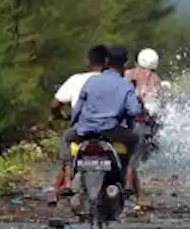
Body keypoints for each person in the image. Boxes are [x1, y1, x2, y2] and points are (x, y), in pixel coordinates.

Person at [69, 44, 149, 211]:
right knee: (136, 140)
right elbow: (134, 111)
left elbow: (77, 109)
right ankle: (128, 177)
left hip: (85, 131)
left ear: (106, 61)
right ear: (126, 63)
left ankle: (67, 177)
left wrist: (74, 126)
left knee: (65, 139)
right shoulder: (125, 85)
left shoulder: (91, 81)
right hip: (110, 132)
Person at [49, 44, 110, 203]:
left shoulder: (76, 79)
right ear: (107, 62)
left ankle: (67, 182)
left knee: (66, 143)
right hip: (109, 130)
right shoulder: (114, 81)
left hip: (82, 130)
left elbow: (55, 104)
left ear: (88, 61)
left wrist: (61, 116)